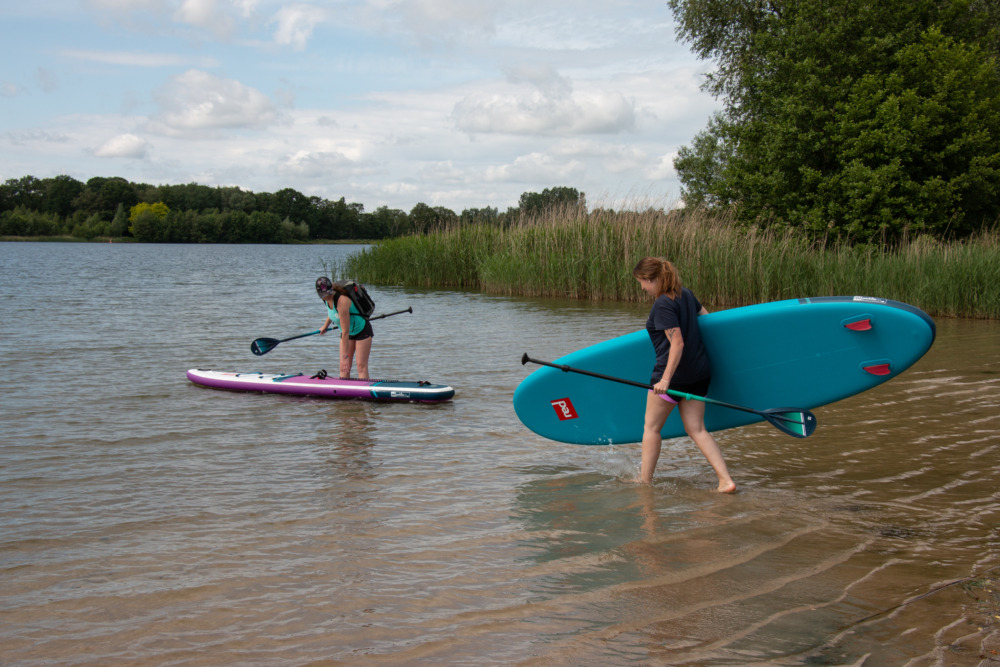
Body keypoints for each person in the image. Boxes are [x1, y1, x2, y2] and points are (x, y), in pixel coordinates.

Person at [631, 257, 736, 493]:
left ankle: (644, 483)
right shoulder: (686, 294)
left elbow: (676, 343)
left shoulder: (662, 305)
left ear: (650, 279)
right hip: (699, 373)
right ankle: (725, 480)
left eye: (642, 282)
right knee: (697, 429)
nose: (642, 287)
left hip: (673, 377)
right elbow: (707, 318)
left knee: (651, 428)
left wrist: (665, 380)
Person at [315, 276, 373, 379]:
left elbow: (345, 331)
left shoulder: (342, 301)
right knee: (344, 368)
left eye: (327, 293)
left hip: (362, 330)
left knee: (361, 366)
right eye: (323, 295)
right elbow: (332, 313)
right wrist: (325, 326)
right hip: (347, 334)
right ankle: (343, 393)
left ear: (331, 289)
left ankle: (364, 392)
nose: (325, 297)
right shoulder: (325, 300)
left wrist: (345, 356)